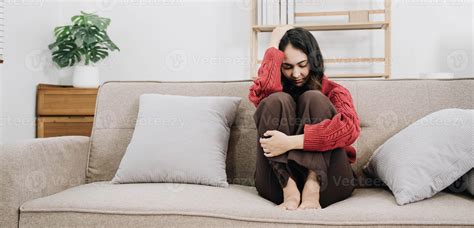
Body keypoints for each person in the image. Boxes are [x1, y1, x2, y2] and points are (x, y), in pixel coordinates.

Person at [248, 26, 361, 210]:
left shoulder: (334, 91)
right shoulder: (277, 89)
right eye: (287, 66)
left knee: (314, 98)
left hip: (329, 183)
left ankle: (312, 186)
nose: (295, 74)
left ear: (314, 61)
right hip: (278, 185)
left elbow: (349, 129)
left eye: (302, 65)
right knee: (274, 100)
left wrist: (291, 142)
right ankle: (290, 189)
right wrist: (272, 45)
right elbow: (263, 96)